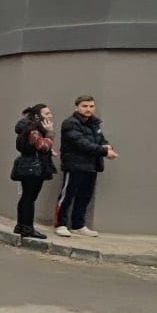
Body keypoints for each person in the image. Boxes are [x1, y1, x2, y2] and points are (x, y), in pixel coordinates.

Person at [55, 95, 118, 237]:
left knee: (85, 196)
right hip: (74, 165)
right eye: (84, 106)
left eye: (91, 106)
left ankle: (78, 225)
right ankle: (61, 224)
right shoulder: (70, 123)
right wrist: (104, 151)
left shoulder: (95, 124)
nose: (88, 109)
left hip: (91, 165)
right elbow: (81, 143)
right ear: (76, 107)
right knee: (67, 195)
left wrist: (107, 146)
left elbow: (100, 139)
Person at [13, 103, 57, 239]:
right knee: (29, 198)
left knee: (26, 196)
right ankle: (27, 228)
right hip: (33, 168)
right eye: (47, 113)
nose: (50, 116)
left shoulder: (28, 128)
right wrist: (50, 133)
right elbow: (42, 146)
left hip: (28, 165)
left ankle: (21, 226)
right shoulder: (34, 129)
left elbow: (32, 146)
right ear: (38, 116)